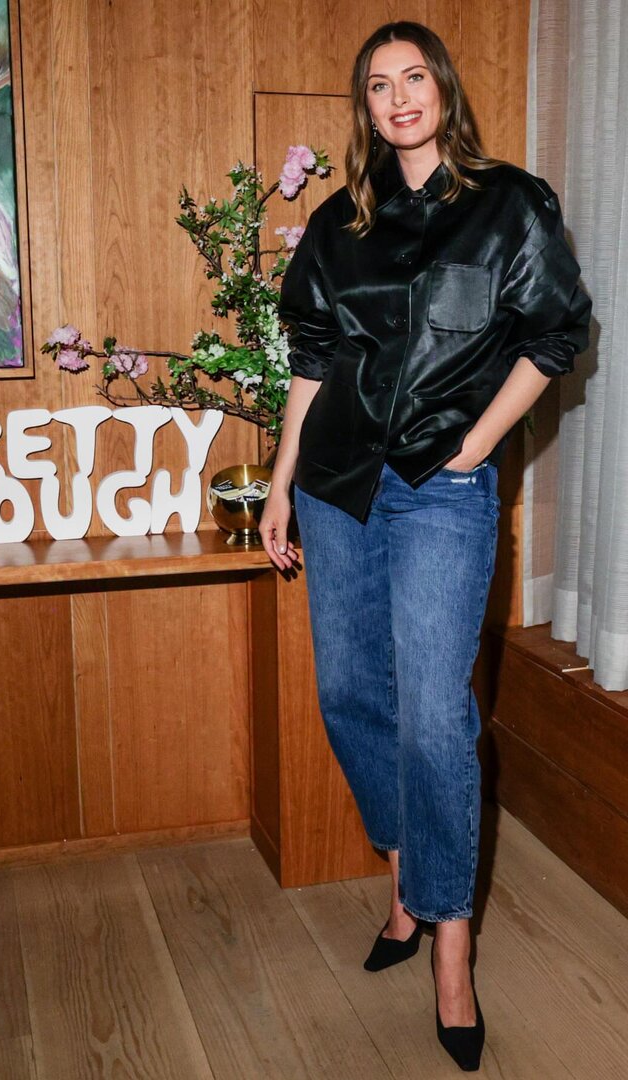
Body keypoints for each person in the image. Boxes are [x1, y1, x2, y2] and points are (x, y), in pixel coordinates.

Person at [260, 20, 591, 1073]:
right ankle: (406, 876)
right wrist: (279, 483)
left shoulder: (510, 205)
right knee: (349, 693)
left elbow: (555, 335)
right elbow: (312, 359)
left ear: (442, 89)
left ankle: (451, 944)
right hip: (338, 488)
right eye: (378, 84)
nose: (398, 96)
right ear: (364, 107)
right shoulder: (338, 224)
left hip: (442, 492)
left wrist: (475, 448)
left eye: (414, 77)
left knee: (438, 716)